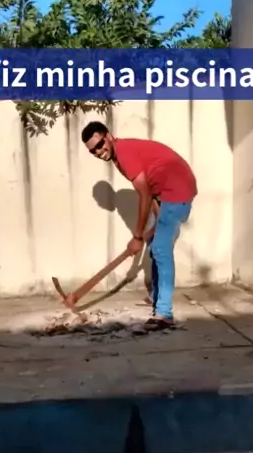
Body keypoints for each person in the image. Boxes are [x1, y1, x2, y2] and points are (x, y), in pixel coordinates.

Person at [81, 121, 197, 331]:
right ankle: (157, 297)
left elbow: (144, 194)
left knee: (160, 248)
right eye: (93, 151)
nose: (98, 151)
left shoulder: (124, 155)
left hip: (177, 192)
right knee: (155, 243)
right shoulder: (119, 155)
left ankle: (164, 313)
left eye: (99, 145)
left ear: (109, 136)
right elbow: (151, 188)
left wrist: (137, 237)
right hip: (168, 193)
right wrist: (155, 221)